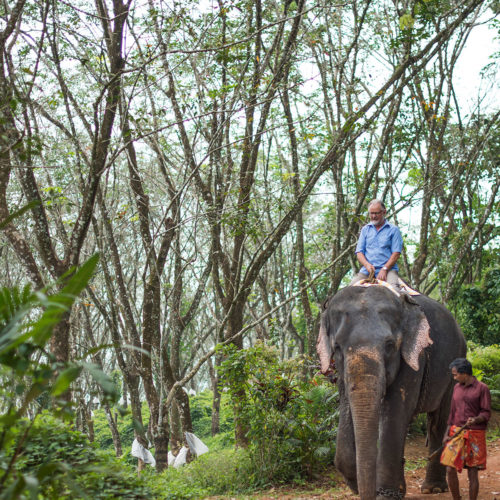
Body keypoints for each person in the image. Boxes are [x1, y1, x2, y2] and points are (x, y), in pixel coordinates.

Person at [441, 358, 491, 500]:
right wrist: (446, 434)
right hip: (456, 433)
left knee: (472, 472)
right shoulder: (456, 388)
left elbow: (486, 412)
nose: (454, 377)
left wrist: (476, 419)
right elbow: (452, 414)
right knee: (449, 468)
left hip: (475, 434)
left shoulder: (482, 388)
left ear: (465, 373)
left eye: (455, 374)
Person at [350, 199, 403, 287]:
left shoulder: (393, 230)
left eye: (376, 213)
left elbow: (396, 253)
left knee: (394, 291)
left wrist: (385, 269)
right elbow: (359, 252)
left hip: (388, 270)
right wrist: (367, 265)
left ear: (384, 212)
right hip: (367, 271)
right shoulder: (365, 230)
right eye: (371, 213)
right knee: (349, 291)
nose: (373, 216)